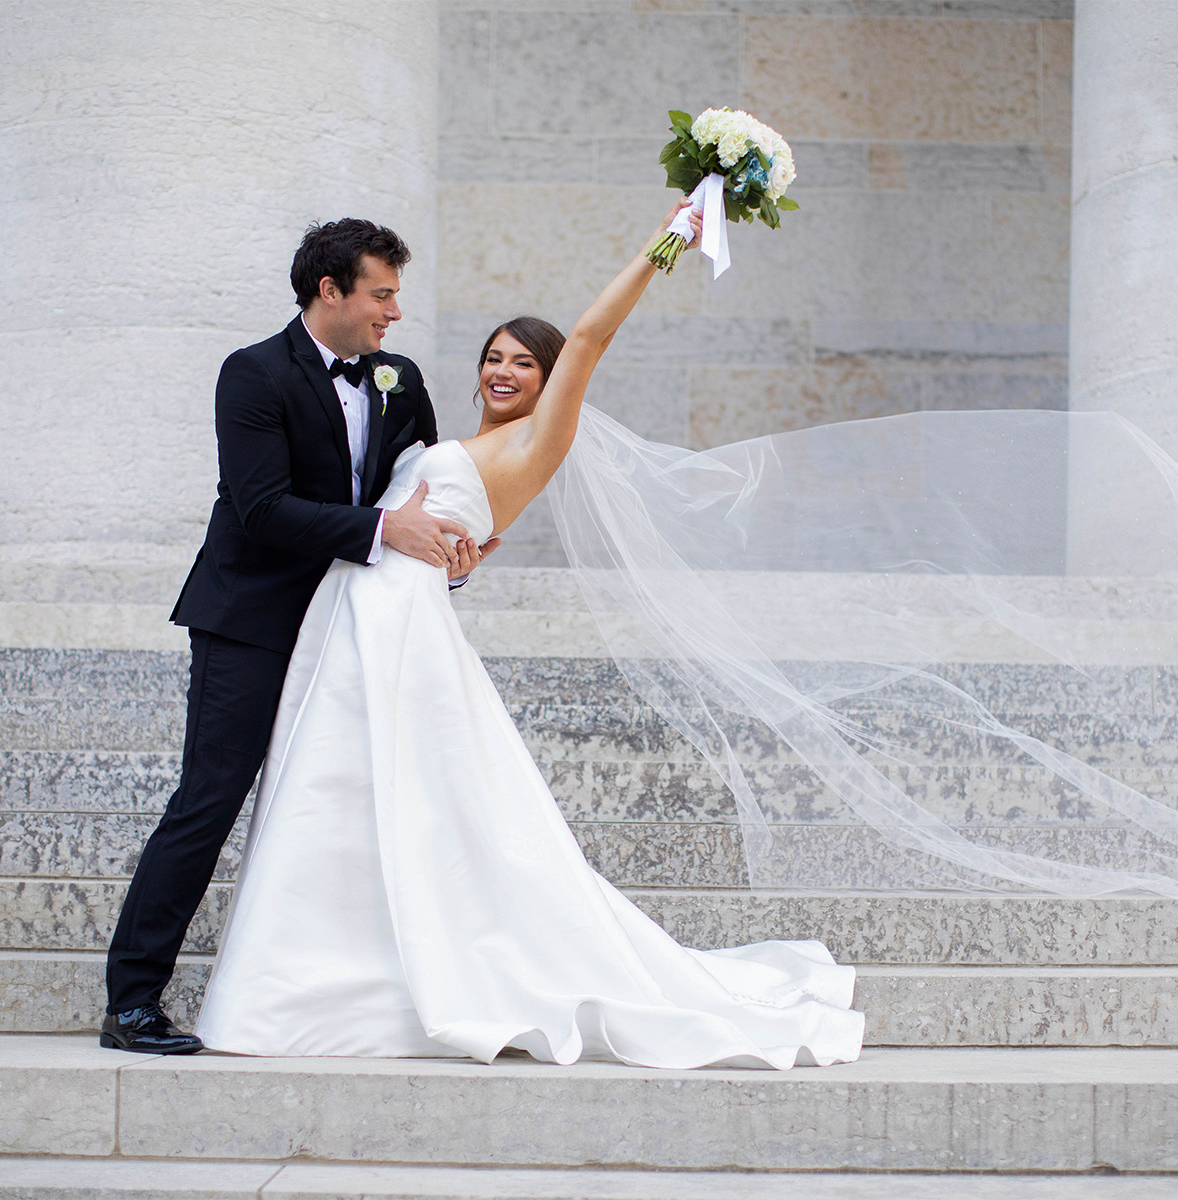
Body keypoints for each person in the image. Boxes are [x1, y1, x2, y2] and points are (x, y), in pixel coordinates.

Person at [193, 200, 867, 1069]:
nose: (507, 371)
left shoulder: (540, 443)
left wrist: (666, 243)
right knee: (342, 802)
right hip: (353, 616)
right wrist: (449, 552)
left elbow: (587, 337)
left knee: (408, 802)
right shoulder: (443, 429)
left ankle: (344, 995)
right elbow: (388, 517)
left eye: (526, 362)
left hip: (402, 630)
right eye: (495, 358)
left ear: (552, 382)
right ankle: (336, 984)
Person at [101, 219, 497, 1054]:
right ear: (331, 290)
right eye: (381, 293)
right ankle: (132, 1000)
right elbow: (262, 507)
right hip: (252, 619)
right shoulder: (251, 373)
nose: (394, 313)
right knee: (208, 801)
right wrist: (386, 531)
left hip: (359, 626)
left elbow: (418, 492)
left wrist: (449, 552)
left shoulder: (400, 377)